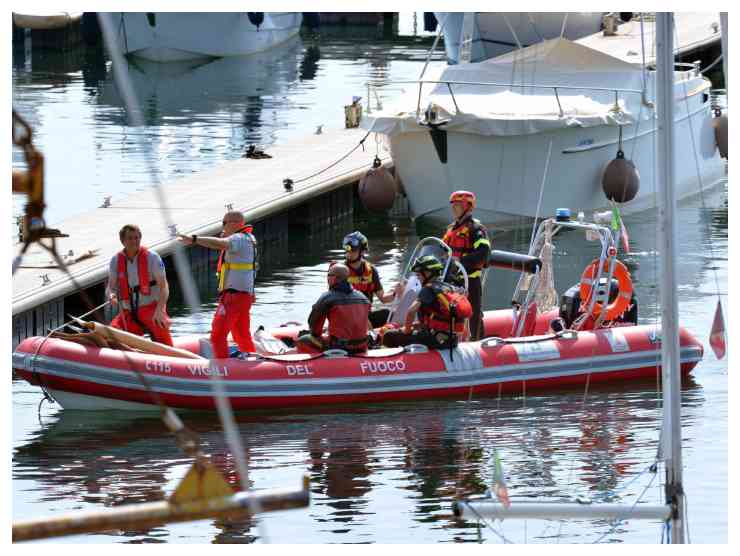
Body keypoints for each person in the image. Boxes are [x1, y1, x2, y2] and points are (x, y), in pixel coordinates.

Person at [178, 211, 257, 359]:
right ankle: (250, 360)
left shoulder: (238, 239)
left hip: (233, 297)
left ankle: (223, 367)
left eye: (224, 223)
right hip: (244, 296)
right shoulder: (249, 239)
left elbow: (220, 243)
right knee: (241, 334)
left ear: (234, 223)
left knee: (218, 335)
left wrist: (194, 239)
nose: (222, 227)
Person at [381, 255, 470, 350]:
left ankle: (388, 360)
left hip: (436, 340)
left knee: (388, 336)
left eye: (419, 275)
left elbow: (411, 311)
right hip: (451, 340)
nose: (418, 278)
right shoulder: (449, 288)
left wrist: (406, 331)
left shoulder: (428, 289)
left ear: (427, 273)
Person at [107, 224, 172, 345]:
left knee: (160, 324)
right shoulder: (115, 260)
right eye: (130, 238)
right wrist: (111, 295)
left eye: (137, 238)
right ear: (122, 241)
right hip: (128, 312)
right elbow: (111, 287)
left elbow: (164, 287)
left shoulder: (152, 258)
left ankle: (171, 356)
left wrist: (159, 310)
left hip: (151, 308)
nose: (134, 241)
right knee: (112, 332)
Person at [442, 190, 491, 340]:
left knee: (474, 314)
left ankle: (477, 341)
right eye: (453, 205)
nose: (453, 208)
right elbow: (442, 250)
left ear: (467, 207)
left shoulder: (476, 229)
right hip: (451, 279)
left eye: (457, 205)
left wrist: (460, 262)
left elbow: (484, 253)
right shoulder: (451, 229)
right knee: (448, 310)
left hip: (470, 280)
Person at [296, 263, 371, 355]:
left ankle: (315, 365)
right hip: (361, 346)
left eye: (329, 275)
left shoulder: (327, 297)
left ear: (334, 278)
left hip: (339, 347)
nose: (327, 278)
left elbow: (315, 329)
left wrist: (318, 333)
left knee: (303, 340)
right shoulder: (363, 298)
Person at [342, 231, 396, 328]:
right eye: (347, 251)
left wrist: (396, 293)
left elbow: (383, 298)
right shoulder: (340, 271)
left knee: (388, 315)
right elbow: (341, 303)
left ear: (362, 251)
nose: (349, 254)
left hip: (365, 316)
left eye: (353, 251)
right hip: (347, 318)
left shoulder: (371, 271)